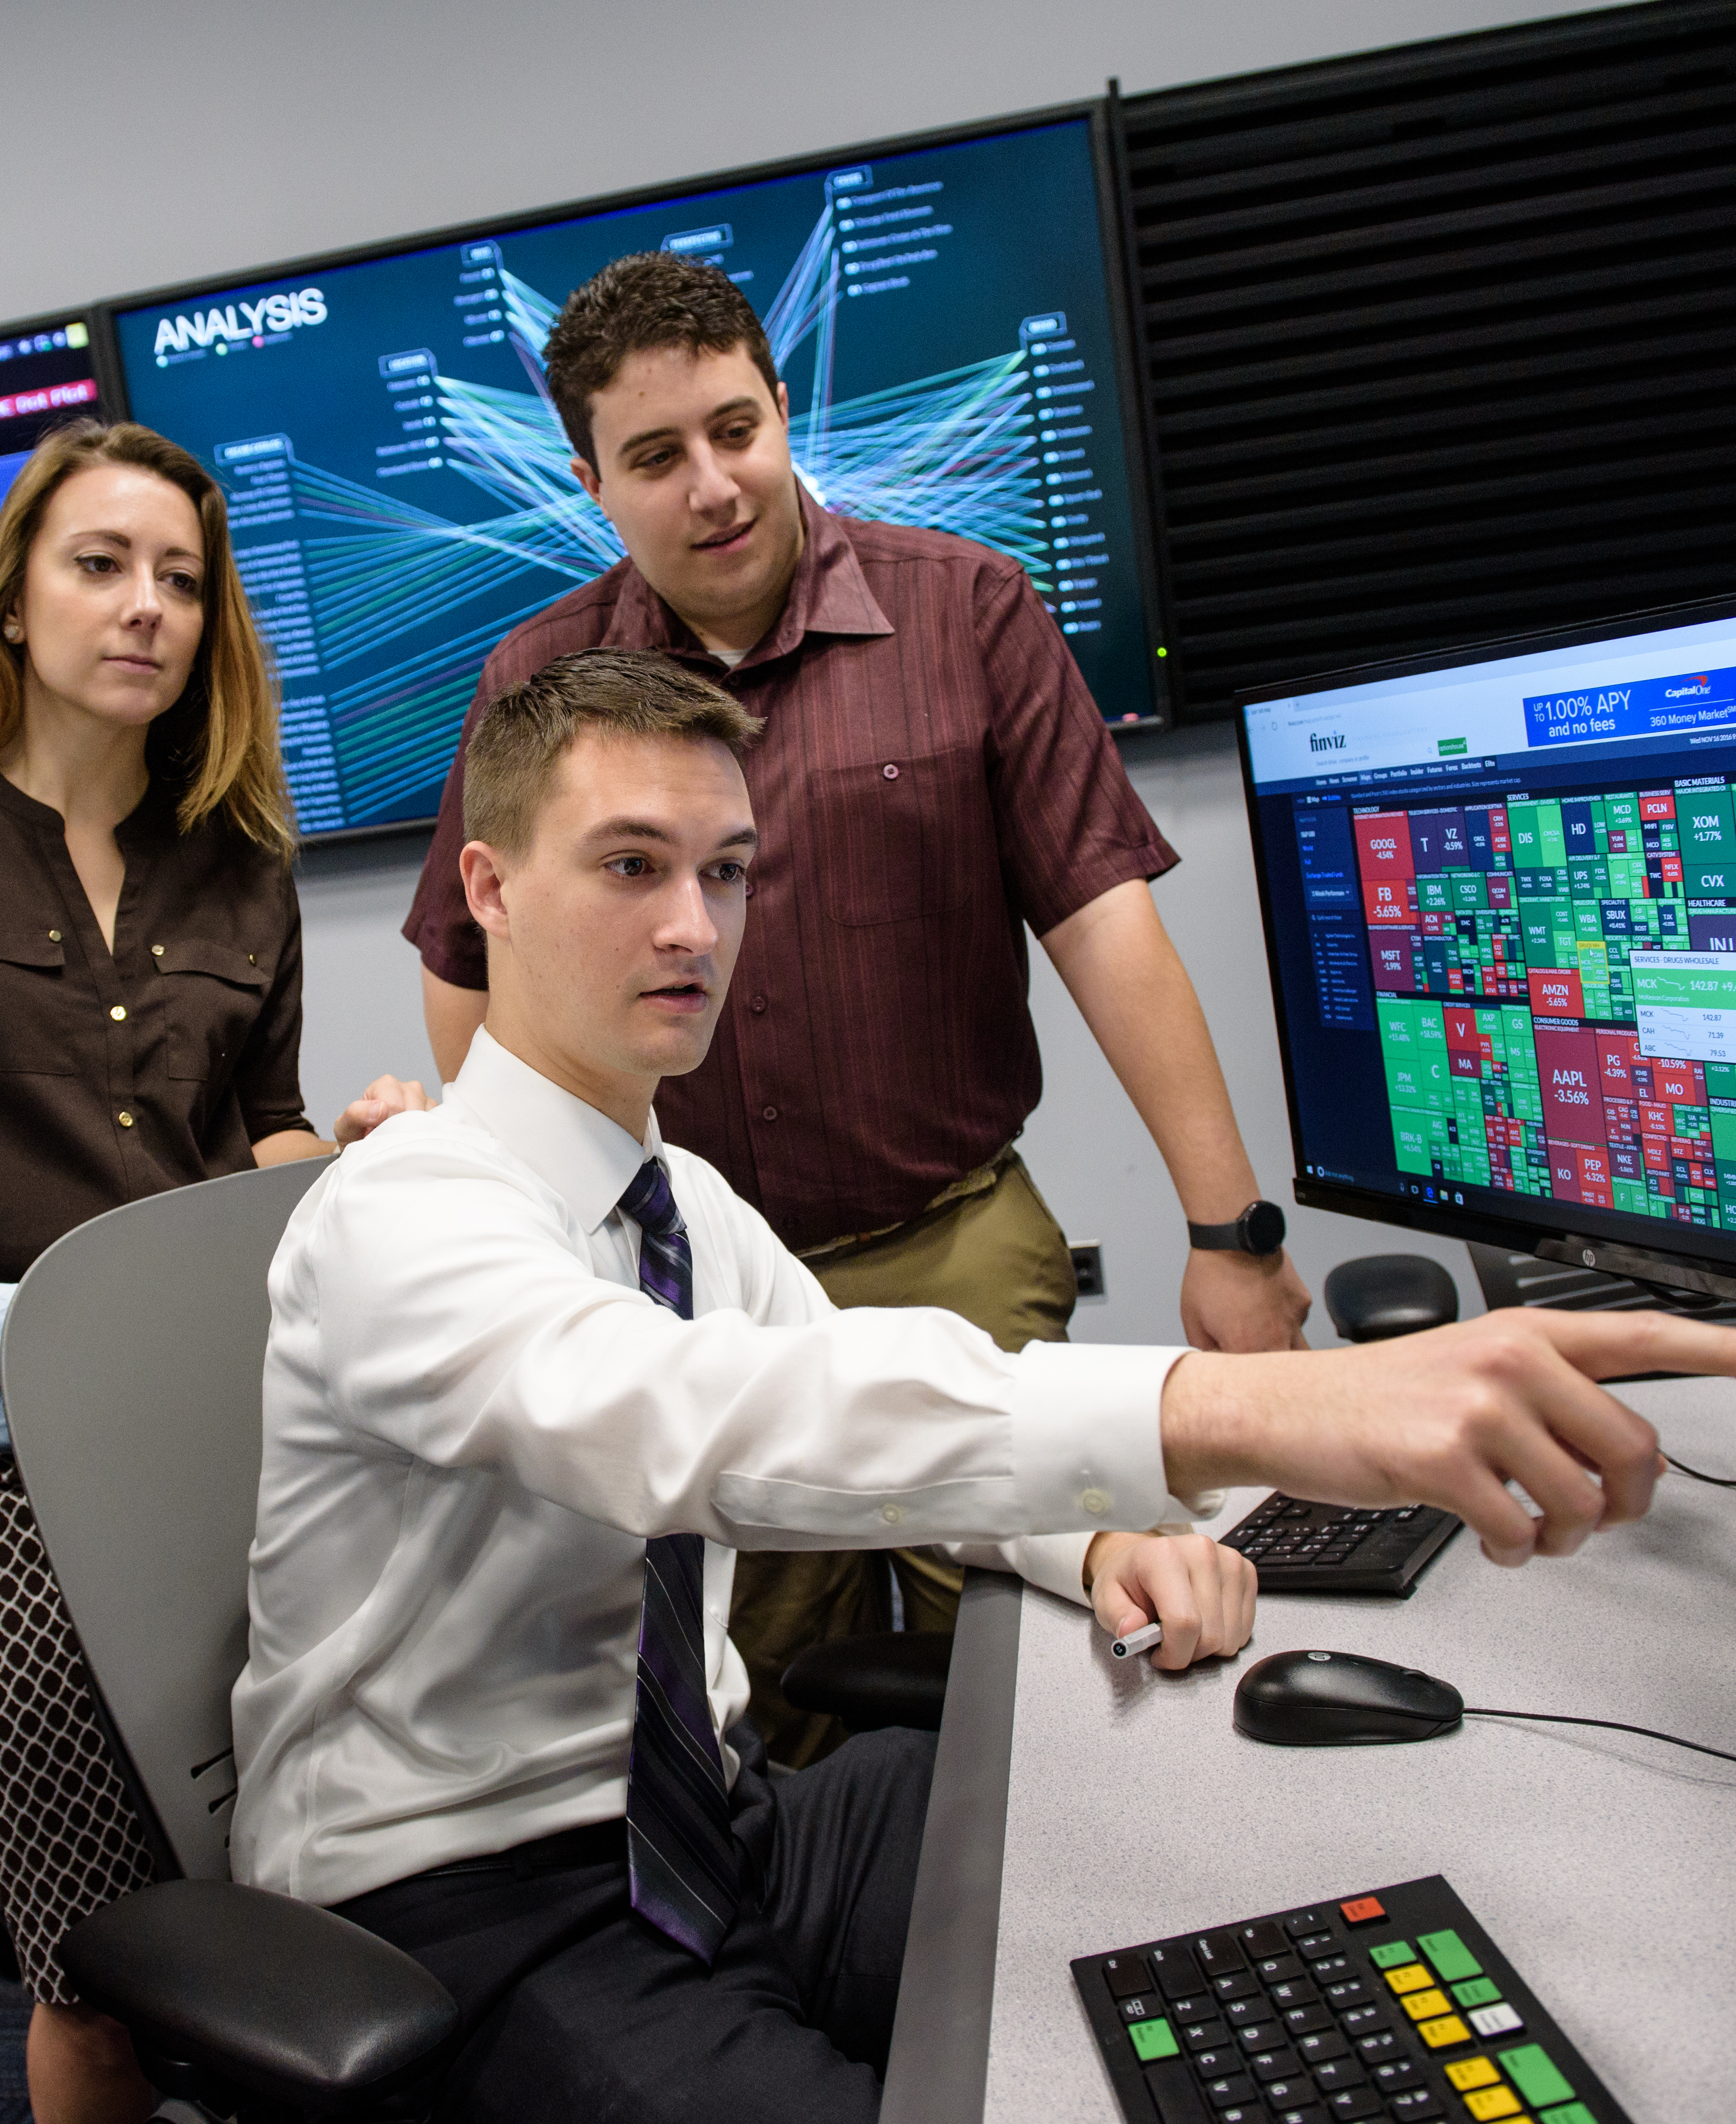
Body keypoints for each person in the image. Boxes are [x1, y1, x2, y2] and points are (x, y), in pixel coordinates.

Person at [244, 646, 1736, 2121]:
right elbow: (702, 1428)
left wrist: (1101, 1538)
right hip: (474, 1908)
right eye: (634, 865)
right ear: (490, 888)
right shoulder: (403, 1210)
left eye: (728, 872)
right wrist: (1264, 1407)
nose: (696, 929)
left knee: (1203, 1861)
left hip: (725, 1826)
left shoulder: (684, 1205)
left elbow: (880, 1404)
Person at [400, 252, 1319, 1763]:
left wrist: (1231, 1236)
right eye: (656, 458)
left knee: (1053, 1684)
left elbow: (1108, 929)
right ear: (591, 485)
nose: (713, 485)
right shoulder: (544, 681)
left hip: (954, 1248)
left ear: (778, 411)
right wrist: (555, 1245)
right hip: (694, 1304)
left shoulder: (966, 611)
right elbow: (469, 970)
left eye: (738, 429)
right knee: (755, 1720)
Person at [0, 418, 427, 2124]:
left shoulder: (244, 864)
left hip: (217, 1443)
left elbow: (252, 1136)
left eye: (183, 581)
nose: (146, 608)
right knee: (97, 1951)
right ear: (13, 604)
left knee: (276, 1886)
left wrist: (353, 1154)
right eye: (102, 565)